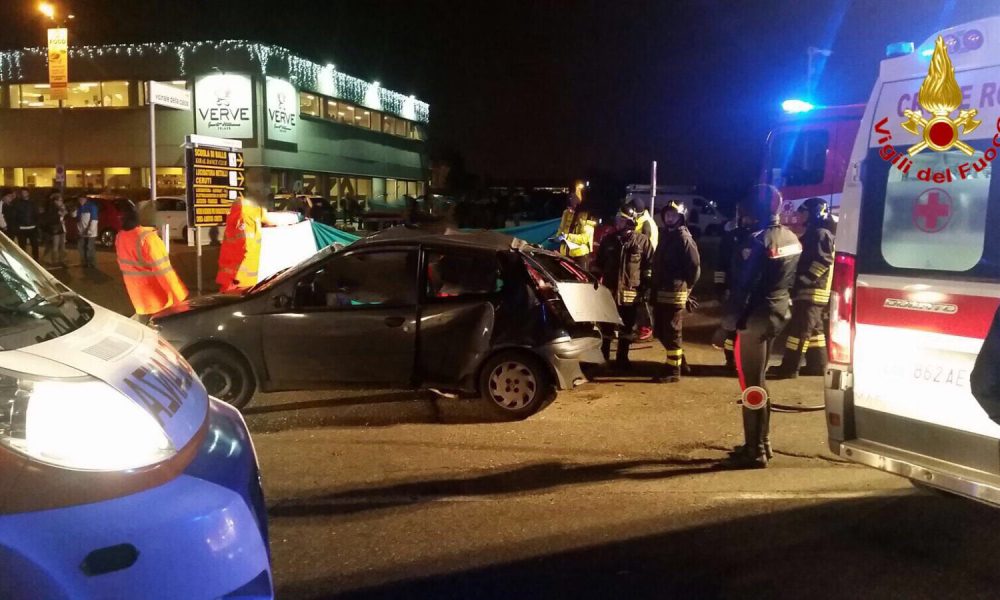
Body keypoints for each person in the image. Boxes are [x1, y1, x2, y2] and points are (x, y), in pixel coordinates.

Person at [712, 185, 801, 469]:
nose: (743, 217)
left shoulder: (755, 242)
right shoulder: (790, 236)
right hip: (778, 313)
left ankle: (754, 451)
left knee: (751, 385)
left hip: (755, 317)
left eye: (747, 211)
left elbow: (743, 290)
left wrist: (725, 327)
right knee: (759, 382)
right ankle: (763, 442)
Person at [769, 198, 835, 379]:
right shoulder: (815, 233)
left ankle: (789, 368)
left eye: (804, 212)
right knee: (815, 331)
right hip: (811, 292)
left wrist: (804, 280)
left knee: (798, 332)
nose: (801, 215)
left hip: (811, 291)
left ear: (814, 212)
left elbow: (824, 261)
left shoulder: (821, 234)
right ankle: (817, 365)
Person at [593, 207, 654, 368]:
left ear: (630, 221)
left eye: (621, 219)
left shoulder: (642, 241)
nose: (617, 222)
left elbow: (649, 266)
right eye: (617, 219)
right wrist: (593, 281)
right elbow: (598, 264)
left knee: (627, 327)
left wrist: (646, 287)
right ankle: (603, 357)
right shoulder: (608, 240)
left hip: (630, 293)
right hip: (609, 291)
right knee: (606, 327)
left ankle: (622, 359)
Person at [651, 200, 701, 382]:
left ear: (681, 217)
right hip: (661, 291)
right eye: (667, 215)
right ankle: (680, 361)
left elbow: (694, 266)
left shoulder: (683, 238)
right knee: (660, 331)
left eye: (673, 215)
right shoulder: (667, 235)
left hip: (674, 292)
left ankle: (673, 371)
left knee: (672, 331)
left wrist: (687, 288)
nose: (669, 218)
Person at [115, 201, 188, 322]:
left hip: (138, 301)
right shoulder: (148, 239)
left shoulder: (121, 237)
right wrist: (180, 298)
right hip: (158, 301)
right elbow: (164, 272)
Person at [714, 205, 753, 372]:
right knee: (732, 328)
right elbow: (721, 264)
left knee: (748, 329)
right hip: (734, 289)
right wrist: (720, 286)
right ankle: (730, 361)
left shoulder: (759, 237)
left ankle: (744, 361)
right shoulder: (732, 237)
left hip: (751, 291)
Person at [625, 198, 658, 342]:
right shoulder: (643, 220)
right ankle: (641, 327)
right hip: (639, 264)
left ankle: (646, 328)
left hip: (643, 264)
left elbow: (645, 247)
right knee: (639, 299)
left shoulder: (645, 224)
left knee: (642, 299)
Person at [554, 182, 596, 268]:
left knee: (581, 280)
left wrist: (567, 237)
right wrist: (557, 239)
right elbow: (561, 229)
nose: (571, 199)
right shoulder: (566, 213)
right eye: (571, 196)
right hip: (565, 254)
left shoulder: (586, 215)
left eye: (574, 196)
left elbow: (584, 238)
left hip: (580, 255)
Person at [41, 192, 68, 268]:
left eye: (62, 200)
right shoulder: (52, 208)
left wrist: (64, 214)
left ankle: (62, 260)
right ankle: (55, 261)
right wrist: (59, 215)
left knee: (62, 245)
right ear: (55, 201)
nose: (61, 202)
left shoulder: (62, 207)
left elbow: (65, 215)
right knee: (55, 246)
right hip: (55, 229)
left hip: (62, 228)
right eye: (60, 200)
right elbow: (50, 218)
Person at [12, 189, 39, 260]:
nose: (24, 194)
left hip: (32, 228)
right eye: (23, 193)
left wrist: (36, 224)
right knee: (22, 246)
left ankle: (36, 259)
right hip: (22, 228)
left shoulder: (33, 203)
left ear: (28, 193)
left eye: (25, 192)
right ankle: (24, 260)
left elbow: (36, 214)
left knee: (35, 245)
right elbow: (15, 215)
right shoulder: (17, 203)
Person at [75, 195, 99, 268]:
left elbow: (94, 219)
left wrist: (90, 230)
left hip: (90, 233)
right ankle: (84, 262)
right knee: (81, 247)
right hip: (82, 232)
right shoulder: (79, 207)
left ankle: (91, 263)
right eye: (79, 200)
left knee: (89, 247)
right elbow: (76, 218)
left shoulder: (92, 206)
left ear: (85, 199)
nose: (80, 201)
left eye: (82, 199)